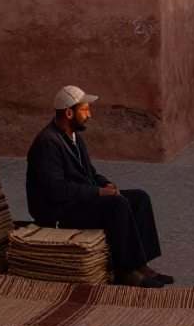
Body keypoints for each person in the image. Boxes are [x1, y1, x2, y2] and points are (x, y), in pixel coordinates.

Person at [26, 85, 173, 288]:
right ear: (69, 112)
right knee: (117, 206)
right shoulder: (47, 142)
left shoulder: (75, 138)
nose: (89, 115)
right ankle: (125, 271)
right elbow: (57, 190)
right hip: (57, 210)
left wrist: (105, 183)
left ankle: (141, 264)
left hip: (76, 200)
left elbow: (90, 173)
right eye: (85, 109)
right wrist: (99, 192)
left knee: (139, 197)